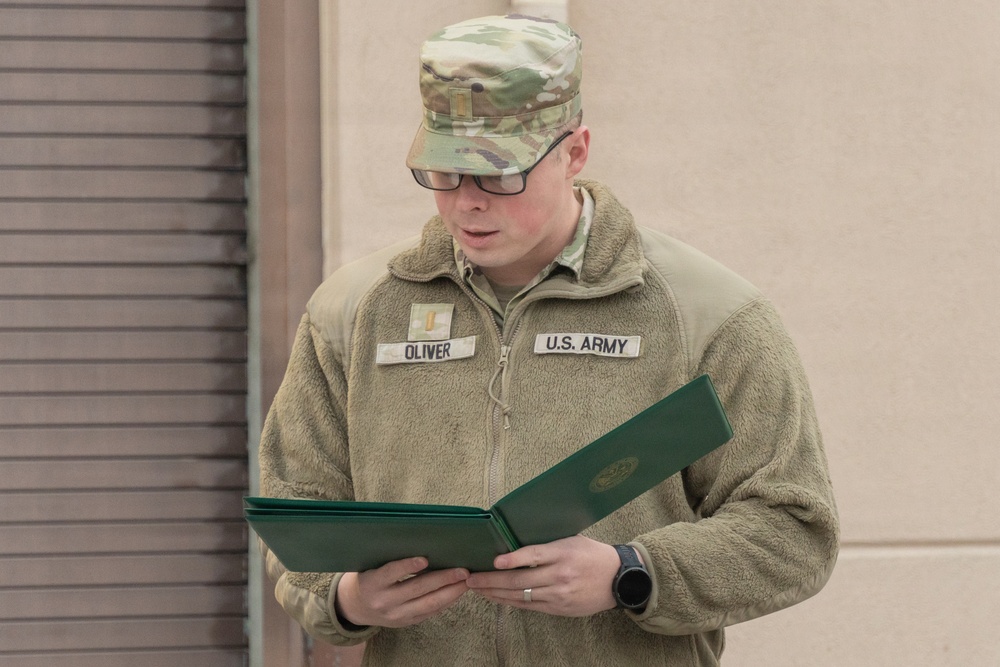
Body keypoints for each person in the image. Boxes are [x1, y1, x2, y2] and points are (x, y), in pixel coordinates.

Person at [258, 13, 838, 666]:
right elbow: (295, 513)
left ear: (575, 151)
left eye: (500, 174)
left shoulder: (709, 314)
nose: (467, 203)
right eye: (444, 172)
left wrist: (631, 572)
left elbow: (793, 528)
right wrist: (347, 600)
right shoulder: (355, 312)